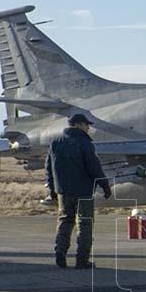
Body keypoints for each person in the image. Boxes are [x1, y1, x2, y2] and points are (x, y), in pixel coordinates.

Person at [45, 113, 112, 269]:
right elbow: (93, 166)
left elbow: (49, 166)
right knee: (85, 223)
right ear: (78, 124)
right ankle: (82, 259)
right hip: (83, 191)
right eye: (86, 125)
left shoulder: (56, 142)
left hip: (63, 191)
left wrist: (52, 188)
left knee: (64, 221)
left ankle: (60, 252)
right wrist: (104, 185)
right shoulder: (84, 142)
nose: (88, 128)